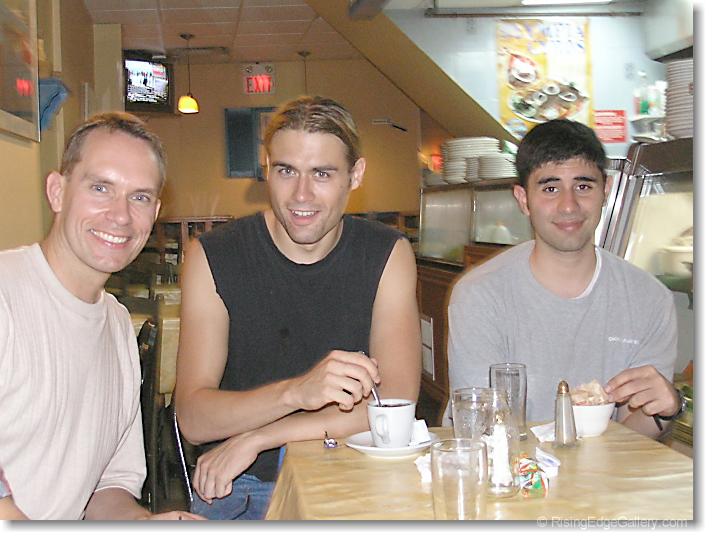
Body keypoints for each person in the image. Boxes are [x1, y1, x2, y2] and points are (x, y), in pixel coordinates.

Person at [175, 95, 421, 519]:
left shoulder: (387, 253)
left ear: (355, 175)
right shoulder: (212, 255)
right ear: (266, 168)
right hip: (244, 484)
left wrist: (261, 437)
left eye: (322, 173)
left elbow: (395, 404)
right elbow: (194, 420)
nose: (301, 195)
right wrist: (297, 392)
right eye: (286, 171)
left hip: (352, 469)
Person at [0, 112, 202, 520]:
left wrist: (145, 524)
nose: (120, 215)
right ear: (57, 192)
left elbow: (105, 488)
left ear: (155, 212)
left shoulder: (118, 328)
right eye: (100, 188)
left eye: (139, 197)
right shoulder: (7, 293)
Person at [447, 119, 681, 439]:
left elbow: (633, 436)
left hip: (605, 467)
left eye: (583, 186)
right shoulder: (479, 295)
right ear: (523, 199)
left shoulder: (650, 299)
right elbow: (481, 430)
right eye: (550, 188)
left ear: (606, 191)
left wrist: (665, 408)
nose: (568, 206)